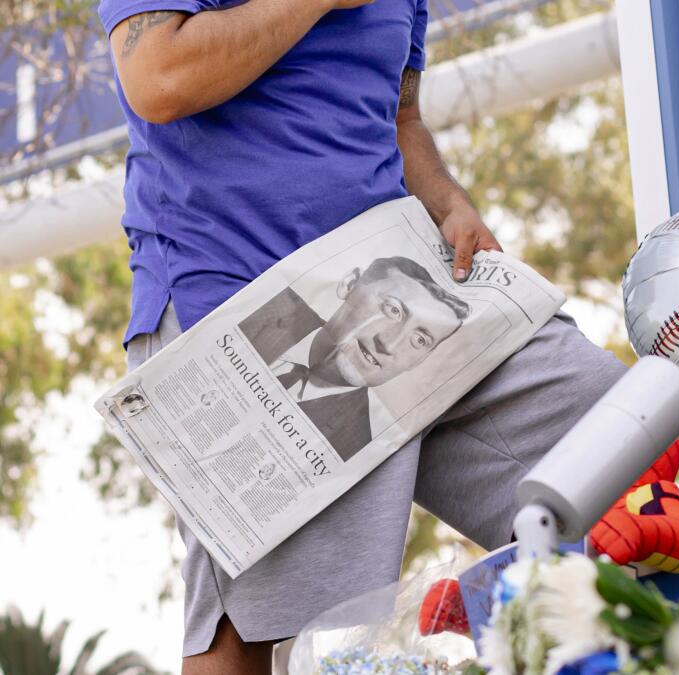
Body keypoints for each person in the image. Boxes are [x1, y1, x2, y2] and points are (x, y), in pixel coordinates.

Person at [100, 1, 627, 672]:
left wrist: (448, 202)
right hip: (239, 294)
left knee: (617, 442)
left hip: (392, 274)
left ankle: (547, 625)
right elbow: (158, 78)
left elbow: (399, 118)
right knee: (288, 619)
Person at [239, 256, 471, 461]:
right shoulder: (258, 303)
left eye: (420, 340)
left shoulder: (354, 449)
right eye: (393, 310)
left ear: (421, 360)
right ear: (349, 284)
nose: (388, 344)